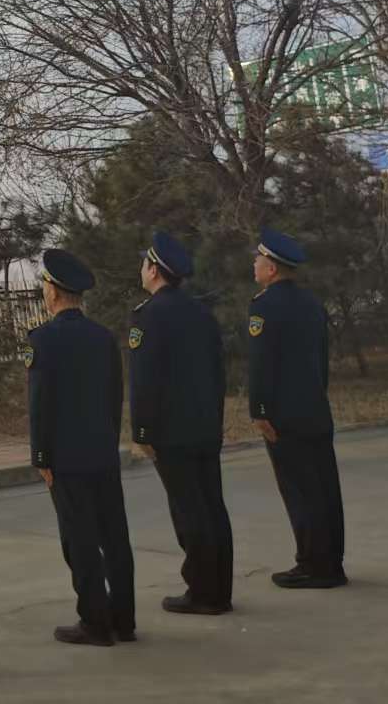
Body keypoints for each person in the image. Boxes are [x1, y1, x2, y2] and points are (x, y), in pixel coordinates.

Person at [26, 248, 136, 647]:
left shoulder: (43, 340)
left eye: (44, 286)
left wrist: (41, 455)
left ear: (54, 292)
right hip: (101, 451)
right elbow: (114, 396)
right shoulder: (103, 337)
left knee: (80, 539)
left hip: (66, 457)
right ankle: (123, 619)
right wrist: (107, 440)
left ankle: (94, 621)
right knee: (114, 536)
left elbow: (40, 403)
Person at [129, 230, 235, 615]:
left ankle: (202, 592)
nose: (142, 270)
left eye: (144, 264)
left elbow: (144, 380)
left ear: (154, 271)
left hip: (171, 431)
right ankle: (220, 589)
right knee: (212, 507)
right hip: (205, 426)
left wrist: (142, 430)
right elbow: (218, 373)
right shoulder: (201, 313)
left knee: (189, 511)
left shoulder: (149, 315)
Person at [248, 227, 347, 589]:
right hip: (315, 408)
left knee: (300, 490)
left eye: (258, 259)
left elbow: (261, 363)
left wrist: (259, 409)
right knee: (324, 487)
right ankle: (332, 561)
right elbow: (321, 360)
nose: (254, 264)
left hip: (284, 414)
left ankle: (312, 565)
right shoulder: (312, 304)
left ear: (272, 268)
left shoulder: (263, 306)